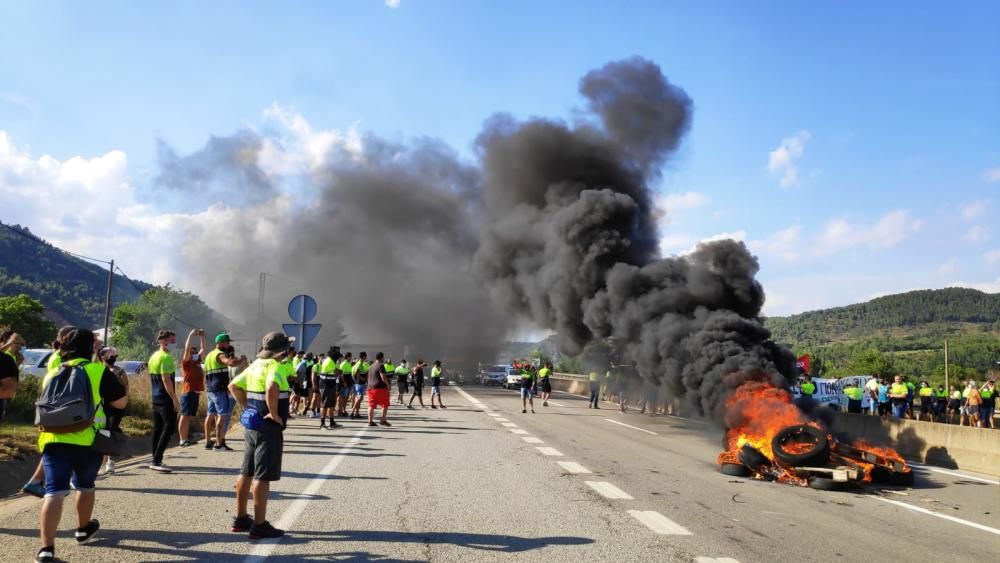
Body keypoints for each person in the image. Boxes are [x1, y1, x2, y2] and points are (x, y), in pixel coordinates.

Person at [33, 328, 128, 563]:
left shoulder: (53, 371)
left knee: (54, 492)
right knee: (85, 486)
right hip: (88, 440)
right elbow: (120, 403)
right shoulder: (97, 370)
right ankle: (83, 529)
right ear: (91, 348)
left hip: (53, 439)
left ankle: (46, 549)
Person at [228, 331, 292, 540]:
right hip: (268, 428)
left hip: (252, 424)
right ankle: (259, 525)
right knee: (262, 476)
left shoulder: (255, 365)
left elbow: (233, 385)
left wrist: (247, 407)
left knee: (246, 471)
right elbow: (272, 387)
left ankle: (240, 518)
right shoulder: (275, 366)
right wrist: (274, 414)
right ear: (283, 351)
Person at [22, 327, 76, 499]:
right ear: (66, 337)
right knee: (53, 448)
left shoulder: (60, 355)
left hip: (55, 409)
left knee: (53, 448)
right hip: (56, 410)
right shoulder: (59, 357)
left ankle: (38, 482)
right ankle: (38, 482)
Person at [204, 333, 245, 451]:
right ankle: (219, 443)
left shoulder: (209, 355)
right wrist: (241, 360)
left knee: (210, 415)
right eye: (227, 342)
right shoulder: (219, 354)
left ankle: (208, 442)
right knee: (222, 415)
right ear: (221, 343)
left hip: (211, 389)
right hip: (219, 390)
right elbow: (230, 363)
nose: (228, 345)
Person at [148, 330, 180, 473]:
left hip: (155, 397)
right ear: (163, 341)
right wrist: (174, 399)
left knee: (158, 428)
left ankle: (155, 457)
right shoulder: (166, 357)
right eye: (172, 341)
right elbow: (166, 379)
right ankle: (157, 460)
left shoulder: (154, 356)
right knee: (169, 427)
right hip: (165, 397)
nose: (174, 344)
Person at [97, 346, 128, 475]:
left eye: (114, 356)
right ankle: (102, 462)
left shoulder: (119, 371)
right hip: (102, 406)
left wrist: (124, 401)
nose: (112, 358)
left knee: (112, 429)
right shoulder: (98, 370)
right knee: (104, 431)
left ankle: (110, 460)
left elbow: (126, 387)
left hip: (116, 406)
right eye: (109, 356)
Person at [178, 329, 206, 447]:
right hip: (188, 392)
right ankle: (182, 440)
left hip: (195, 393)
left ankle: (186, 438)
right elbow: (187, 348)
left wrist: (202, 336)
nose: (194, 353)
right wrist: (190, 335)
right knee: (185, 416)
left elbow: (203, 348)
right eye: (191, 352)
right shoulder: (186, 363)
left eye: (195, 351)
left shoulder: (197, 361)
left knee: (188, 416)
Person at [0, 331, 24, 423]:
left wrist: (18, 363)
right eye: (17, 343)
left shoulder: (12, 356)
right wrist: (10, 343)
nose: (19, 346)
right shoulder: (5, 351)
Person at [318, 347, 342, 430]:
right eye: (337, 354)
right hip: (325, 385)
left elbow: (337, 373)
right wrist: (339, 371)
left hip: (331, 384)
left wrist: (338, 372)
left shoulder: (333, 361)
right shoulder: (329, 361)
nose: (338, 356)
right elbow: (337, 372)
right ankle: (322, 424)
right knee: (324, 404)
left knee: (332, 404)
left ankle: (332, 422)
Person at [367, 352, 392, 427]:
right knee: (385, 404)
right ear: (382, 357)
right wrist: (388, 385)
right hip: (380, 388)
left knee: (371, 405)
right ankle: (383, 420)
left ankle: (370, 421)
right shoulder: (381, 365)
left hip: (370, 388)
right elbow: (383, 377)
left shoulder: (371, 366)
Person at [350, 352, 369, 419]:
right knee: (359, 398)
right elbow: (356, 372)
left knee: (360, 398)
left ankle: (357, 413)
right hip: (359, 383)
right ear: (364, 356)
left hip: (361, 383)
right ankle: (352, 412)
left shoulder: (361, 363)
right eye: (366, 356)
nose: (366, 357)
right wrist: (361, 378)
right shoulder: (359, 363)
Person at [338, 352, 354, 417]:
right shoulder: (343, 364)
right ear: (347, 357)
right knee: (342, 397)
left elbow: (350, 373)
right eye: (350, 356)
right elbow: (341, 375)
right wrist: (344, 383)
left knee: (346, 397)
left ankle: (344, 410)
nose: (351, 358)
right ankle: (340, 411)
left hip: (349, 383)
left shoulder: (349, 363)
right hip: (344, 384)